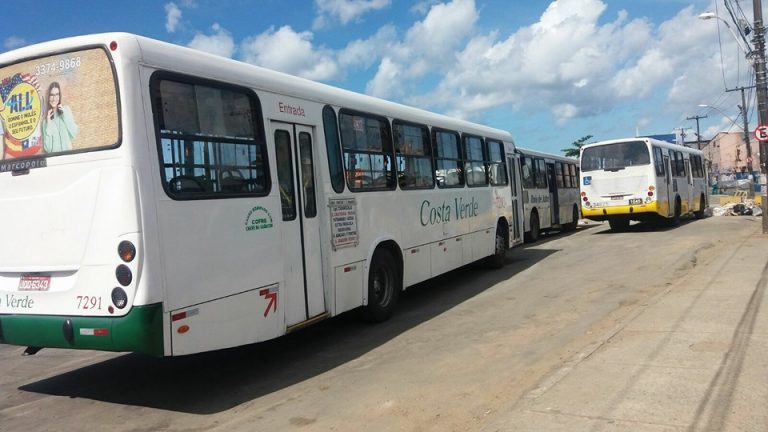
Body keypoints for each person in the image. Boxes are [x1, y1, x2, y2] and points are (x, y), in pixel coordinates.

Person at [42, 82, 78, 153]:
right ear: (48, 97)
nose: (54, 98)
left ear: (59, 96)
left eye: (56, 94)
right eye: (51, 95)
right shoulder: (45, 122)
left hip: (68, 156)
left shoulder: (66, 110)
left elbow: (74, 133)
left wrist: (65, 116)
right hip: (55, 159)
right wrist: (49, 124)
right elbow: (48, 149)